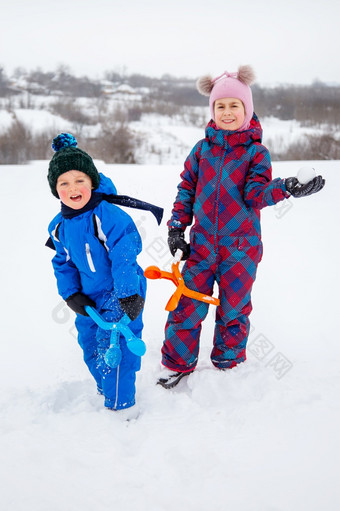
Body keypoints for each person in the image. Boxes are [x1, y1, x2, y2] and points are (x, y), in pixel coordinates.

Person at [158, 66, 325, 389]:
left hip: (241, 250)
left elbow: (256, 194)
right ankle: (177, 364)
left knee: (234, 309)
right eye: (220, 106)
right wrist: (177, 227)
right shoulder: (201, 150)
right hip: (202, 246)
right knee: (186, 305)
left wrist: (286, 187)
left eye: (234, 105)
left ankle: (228, 364)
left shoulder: (255, 153)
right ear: (212, 110)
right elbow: (186, 190)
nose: (227, 112)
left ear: (247, 110)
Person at [47, 133, 146, 416]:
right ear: (56, 190)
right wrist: (70, 294)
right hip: (88, 298)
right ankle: (106, 388)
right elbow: (62, 262)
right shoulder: (59, 226)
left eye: (80, 180)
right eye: (64, 183)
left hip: (120, 292)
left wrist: (128, 293)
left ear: (91, 182)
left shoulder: (108, 216)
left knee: (115, 348)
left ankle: (120, 407)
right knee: (91, 346)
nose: (73, 188)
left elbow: (124, 254)